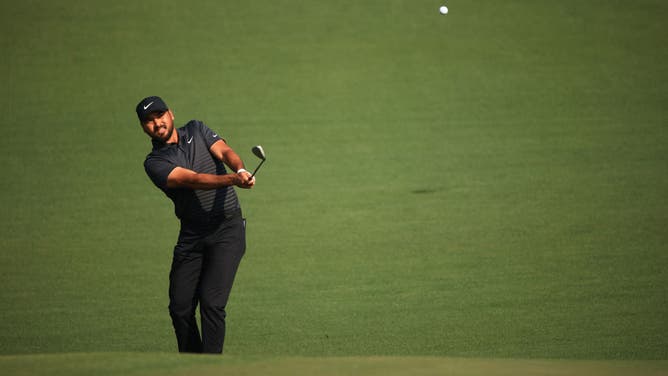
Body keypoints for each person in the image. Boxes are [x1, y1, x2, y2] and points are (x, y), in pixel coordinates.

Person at [135, 96, 254, 354]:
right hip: (192, 236)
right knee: (180, 308)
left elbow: (224, 151)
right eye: (149, 121)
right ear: (144, 128)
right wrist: (233, 180)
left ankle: (211, 368)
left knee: (212, 303)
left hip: (227, 230)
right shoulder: (154, 163)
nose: (157, 123)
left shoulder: (197, 130)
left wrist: (241, 169)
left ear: (171, 114)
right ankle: (193, 365)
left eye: (160, 116)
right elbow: (194, 179)